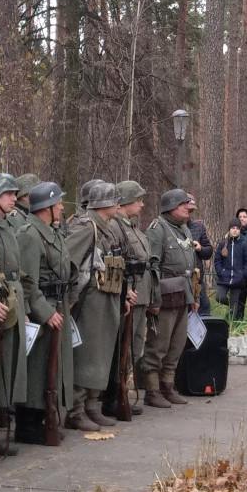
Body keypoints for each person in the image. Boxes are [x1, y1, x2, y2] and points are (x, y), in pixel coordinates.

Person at [62, 181, 126, 431]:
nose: (117, 204)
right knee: (86, 355)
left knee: (99, 355)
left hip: (105, 296)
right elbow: (69, 263)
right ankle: (76, 410)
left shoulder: (105, 227)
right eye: (113, 200)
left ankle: (91, 405)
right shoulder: (87, 227)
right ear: (103, 205)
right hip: (89, 299)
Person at [18, 181, 76, 439]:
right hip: (42, 309)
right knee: (37, 369)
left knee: (52, 367)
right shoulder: (30, 234)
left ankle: (44, 418)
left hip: (57, 303)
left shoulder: (51, 232)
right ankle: (29, 425)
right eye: (58, 204)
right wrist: (43, 311)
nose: (62, 208)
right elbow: (27, 280)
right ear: (47, 207)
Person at [0, 173, 30, 450]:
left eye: (14, 193)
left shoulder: (7, 224)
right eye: (8, 193)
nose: (14, 198)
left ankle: (2, 425)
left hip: (11, 298)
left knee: (10, 364)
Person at [144, 189, 198, 407]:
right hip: (164, 295)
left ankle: (168, 385)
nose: (188, 209)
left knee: (176, 344)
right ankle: (152, 390)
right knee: (159, 345)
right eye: (184, 205)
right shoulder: (157, 229)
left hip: (183, 293)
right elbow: (151, 266)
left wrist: (194, 295)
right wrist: (154, 299)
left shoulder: (185, 230)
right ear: (171, 207)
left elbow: (191, 268)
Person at [112, 181, 154, 413]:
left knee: (135, 346)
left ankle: (122, 393)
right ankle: (117, 395)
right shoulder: (117, 228)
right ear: (125, 201)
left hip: (141, 293)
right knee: (125, 347)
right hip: (129, 295)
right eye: (137, 199)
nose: (141, 203)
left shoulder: (133, 227)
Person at [214, 220, 247, 322]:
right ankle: (231, 307)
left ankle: (231, 326)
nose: (235, 230)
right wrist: (221, 272)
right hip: (224, 278)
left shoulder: (243, 244)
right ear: (229, 229)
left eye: (237, 228)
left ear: (240, 230)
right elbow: (217, 260)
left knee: (234, 305)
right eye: (233, 228)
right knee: (220, 297)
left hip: (238, 279)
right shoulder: (223, 244)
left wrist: (243, 274)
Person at [187, 199, 214, 315]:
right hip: (179, 280)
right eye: (188, 209)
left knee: (204, 308)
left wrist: (200, 248)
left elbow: (208, 251)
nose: (188, 213)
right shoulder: (170, 229)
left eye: (191, 210)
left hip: (197, 280)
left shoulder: (198, 227)